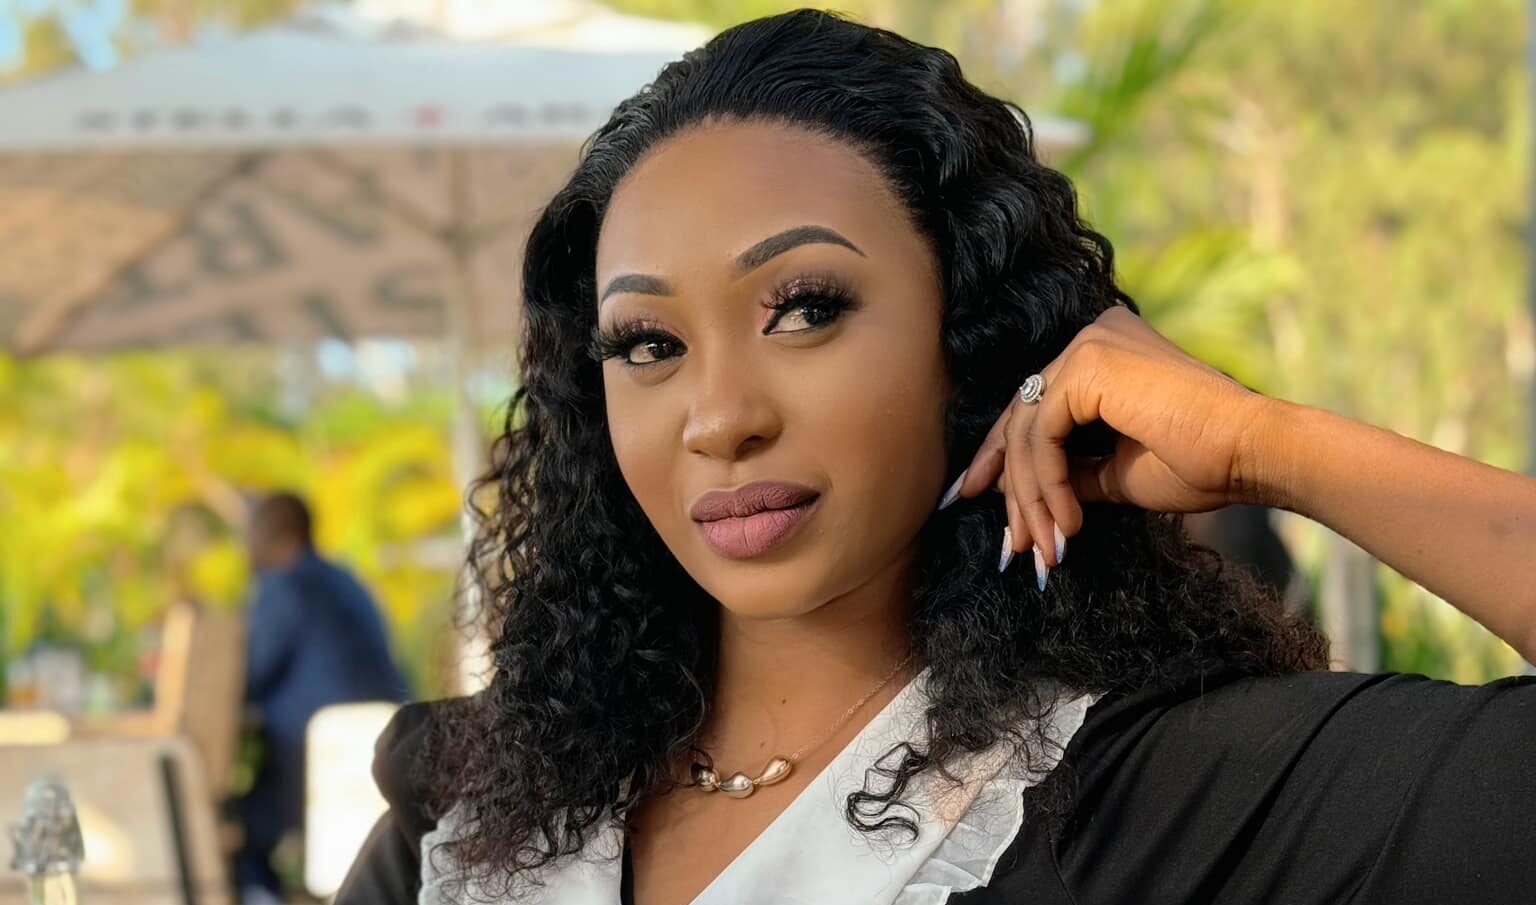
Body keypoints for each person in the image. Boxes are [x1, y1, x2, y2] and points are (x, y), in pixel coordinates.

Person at [335, 11, 1536, 905]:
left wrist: (1271, 443)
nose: (718, 417)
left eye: (806, 308)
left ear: (969, 341)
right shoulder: (476, 819)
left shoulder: (1173, 792)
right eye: (648, 342)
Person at [236, 492, 408, 904]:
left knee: (238, 823)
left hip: (316, 759)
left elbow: (251, 675)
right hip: (386, 748)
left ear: (275, 535)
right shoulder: (346, 580)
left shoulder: (284, 586)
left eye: (249, 533)